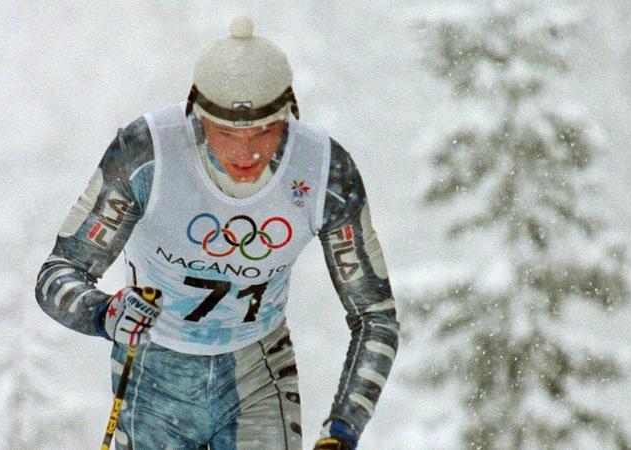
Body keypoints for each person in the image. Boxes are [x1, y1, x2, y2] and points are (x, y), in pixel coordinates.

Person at [36, 16, 399, 450]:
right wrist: (104, 313)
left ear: (289, 115)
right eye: (226, 133)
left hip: (257, 370)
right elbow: (58, 273)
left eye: (265, 129)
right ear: (197, 118)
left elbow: (375, 315)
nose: (246, 152)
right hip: (155, 373)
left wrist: (343, 429)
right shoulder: (147, 153)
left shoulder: (323, 171)